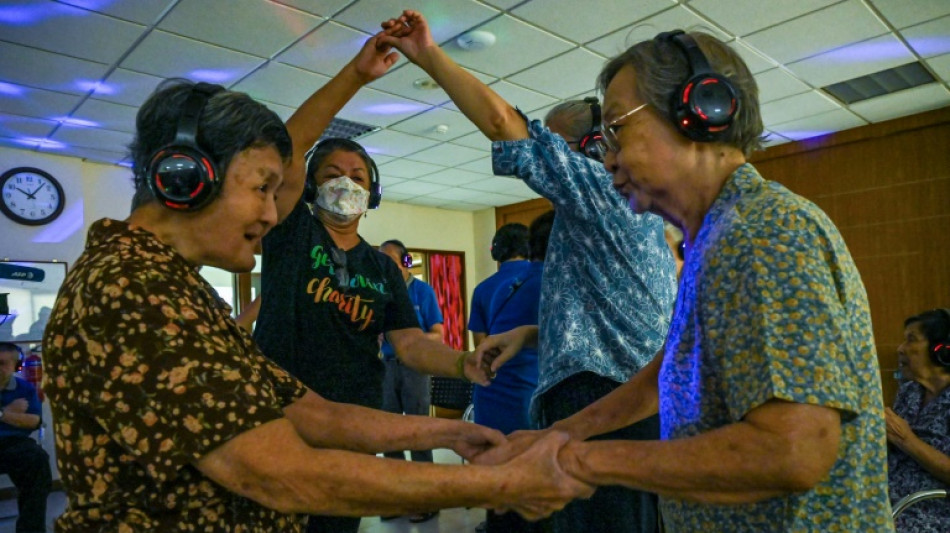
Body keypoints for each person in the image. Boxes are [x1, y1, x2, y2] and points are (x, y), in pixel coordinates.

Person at [41, 68, 593, 532]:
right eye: (261, 188)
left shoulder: (176, 284)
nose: (266, 212)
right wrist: (497, 482)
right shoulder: (131, 287)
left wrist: (454, 431)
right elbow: (275, 471)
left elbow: (308, 410)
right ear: (188, 179)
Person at [472, 28, 896, 532]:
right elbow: (667, 372)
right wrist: (559, 436)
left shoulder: (762, 233)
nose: (605, 158)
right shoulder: (715, 239)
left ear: (699, 111)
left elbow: (794, 451)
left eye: (616, 132)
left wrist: (576, 462)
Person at [380, 11, 677, 533]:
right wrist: (532, 333)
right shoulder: (631, 216)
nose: (549, 157)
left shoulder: (600, 191)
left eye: (558, 145)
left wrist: (426, 53)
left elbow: (503, 126)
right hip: (633, 400)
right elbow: (620, 321)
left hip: (605, 400)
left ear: (591, 150)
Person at [240, 29, 495, 533]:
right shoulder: (292, 230)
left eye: (358, 176)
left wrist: (463, 362)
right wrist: (356, 74)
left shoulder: (383, 268)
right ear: (310, 185)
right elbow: (288, 151)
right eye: (332, 172)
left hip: (355, 417)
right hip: (282, 412)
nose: (345, 182)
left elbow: (408, 344)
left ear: (371, 192)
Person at [474, 210, 553, 533]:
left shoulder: (485, 287)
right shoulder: (553, 281)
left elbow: (482, 346)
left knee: (498, 470)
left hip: (489, 392)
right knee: (533, 477)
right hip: (530, 392)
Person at [377, 239, 442, 524]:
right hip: (385, 368)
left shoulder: (422, 292)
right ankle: (397, 498)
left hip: (415, 368)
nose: (384, 264)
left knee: (418, 432)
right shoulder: (379, 292)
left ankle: (426, 499)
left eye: (389, 259)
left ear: (404, 262)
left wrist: (409, 341)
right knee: (389, 434)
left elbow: (438, 334)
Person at [887, 308, 950, 532]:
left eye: (911, 340)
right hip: (888, 501)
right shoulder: (909, 391)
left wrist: (906, 440)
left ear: (941, 351)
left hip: (931, 510)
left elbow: (903, 439)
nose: (900, 349)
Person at [0, 341, 50, 533]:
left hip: (15, 444)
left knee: (38, 461)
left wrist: (3, 415)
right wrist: (8, 412)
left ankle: (31, 529)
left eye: (3, 363)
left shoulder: (25, 389)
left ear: (15, 366)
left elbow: (34, 421)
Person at [469, 223, 530, 348]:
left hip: (500, 365)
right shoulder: (549, 280)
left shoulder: (481, 290)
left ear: (496, 251)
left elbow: (481, 345)